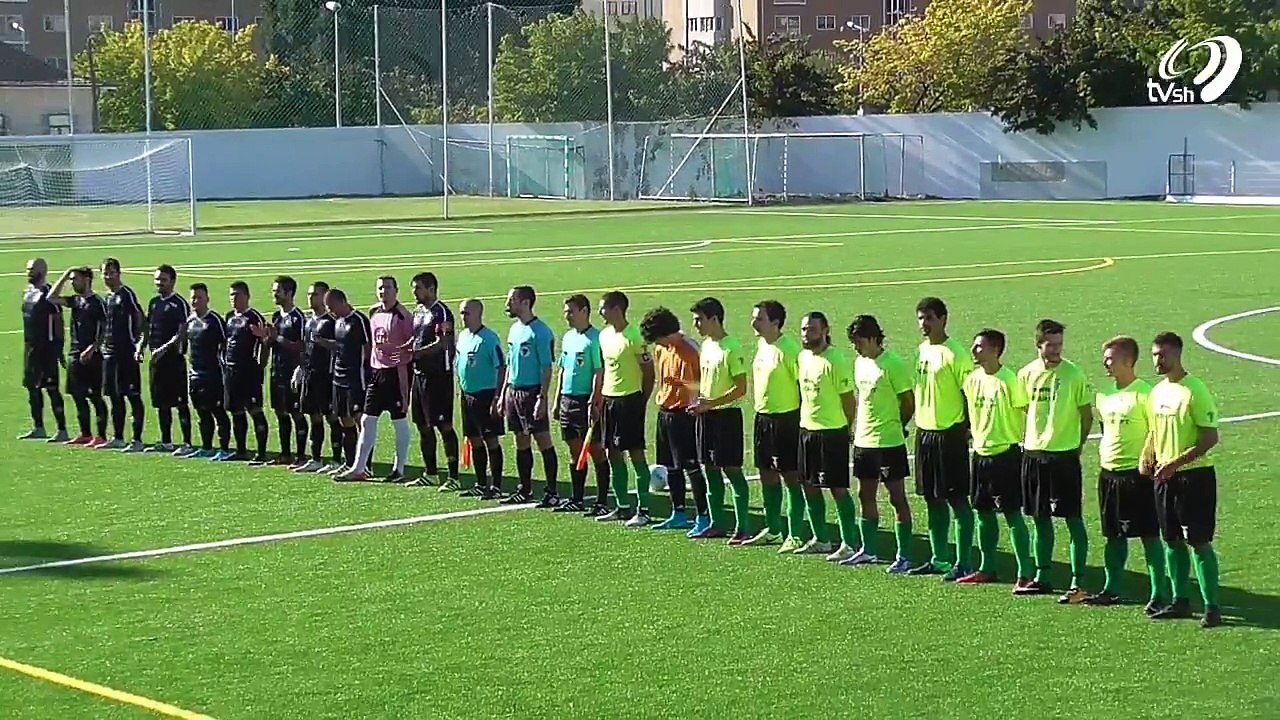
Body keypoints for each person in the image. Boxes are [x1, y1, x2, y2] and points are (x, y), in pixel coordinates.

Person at [1144, 332, 1221, 628]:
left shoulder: (1194, 390)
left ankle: (1212, 607)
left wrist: (1176, 463)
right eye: (1154, 355)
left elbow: (1210, 437)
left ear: (1177, 354)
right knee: (1171, 540)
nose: (1157, 361)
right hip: (1165, 477)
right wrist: (1147, 454)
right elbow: (1154, 430)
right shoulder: (1157, 392)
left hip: (1194, 478)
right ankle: (1180, 600)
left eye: (1162, 355)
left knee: (1198, 542)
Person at [1088, 335, 1169, 611]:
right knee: (1113, 535)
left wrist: (1150, 461)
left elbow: (1157, 431)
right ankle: (1111, 588)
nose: (1105, 363)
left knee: (1149, 535)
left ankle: (1159, 593)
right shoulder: (1103, 394)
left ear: (1128, 361)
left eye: (1110, 359)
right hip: (1109, 474)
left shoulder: (1146, 395)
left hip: (1138, 476)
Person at [1016, 319, 1094, 601]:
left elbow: (1086, 415)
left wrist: (1077, 445)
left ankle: (1078, 582)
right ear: (1038, 344)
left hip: (1064, 457)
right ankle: (1043, 576)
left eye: (1060, 344)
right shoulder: (1026, 374)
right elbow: (1024, 408)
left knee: (1073, 519)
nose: (1057, 350)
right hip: (1034, 455)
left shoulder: (1074, 374)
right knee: (1040, 518)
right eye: (1051, 345)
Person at [960, 329, 1034, 586]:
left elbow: (1028, 412)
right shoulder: (971, 380)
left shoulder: (1010, 381)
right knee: (983, 513)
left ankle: (1025, 572)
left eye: (979, 346)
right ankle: (987, 567)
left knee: (1012, 514)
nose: (973, 350)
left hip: (1006, 456)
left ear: (995, 350)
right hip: (980, 455)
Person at [909, 296, 975, 579]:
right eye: (920, 318)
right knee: (931, 498)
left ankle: (964, 561)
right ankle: (939, 559)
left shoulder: (955, 354)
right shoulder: (921, 350)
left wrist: (968, 428)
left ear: (943, 319)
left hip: (950, 435)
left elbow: (969, 393)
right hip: (925, 434)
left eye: (929, 318)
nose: (924, 324)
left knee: (957, 499)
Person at [846, 315, 915, 570]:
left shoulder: (892, 364)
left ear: (874, 338)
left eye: (859, 341)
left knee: (896, 497)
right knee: (864, 494)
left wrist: (898, 425)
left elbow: (908, 402)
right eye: (854, 342)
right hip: (863, 441)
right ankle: (868, 550)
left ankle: (903, 556)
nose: (856, 347)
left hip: (888, 442)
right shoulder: (859, 363)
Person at [794, 311, 860, 558]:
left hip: (831, 433)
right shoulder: (803, 357)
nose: (806, 334)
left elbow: (848, 400)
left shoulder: (834, 360)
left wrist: (847, 428)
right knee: (808, 485)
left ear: (825, 331)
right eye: (803, 329)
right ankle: (821, 539)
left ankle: (849, 543)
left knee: (837, 488)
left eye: (811, 329)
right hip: (807, 430)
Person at [689, 297, 753, 544]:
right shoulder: (706, 346)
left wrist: (711, 403)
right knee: (709, 469)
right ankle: (716, 524)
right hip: (706, 415)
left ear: (714, 319)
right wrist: (698, 401)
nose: (696, 324)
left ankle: (742, 527)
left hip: (726, 417)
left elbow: (741, 388)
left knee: (732, 471)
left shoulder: (731, 348)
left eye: (699, 319)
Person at [748, 299, 809, 551]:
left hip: (786, 420)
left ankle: (795, 534)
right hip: (763, 418)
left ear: (775, 322)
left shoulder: (789, 350)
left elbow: (803, 387)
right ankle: (773, 529)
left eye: (759, 319)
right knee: (767, 475)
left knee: (791, 478)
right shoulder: (762, 345)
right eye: (754, 318)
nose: (754, 323)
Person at [340, 276, 414, 482]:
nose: (383, 291)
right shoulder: (374, 312)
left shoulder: (403, 316)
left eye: (388, 288)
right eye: (380, 288)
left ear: (396, 290)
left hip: (396, 372)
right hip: (377, 372)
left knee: (399, 419)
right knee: (367, 419)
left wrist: (403, 355)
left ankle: (399, 469)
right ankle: (359, 468)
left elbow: (412, 343)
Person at [640, 306, 705, 533]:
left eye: (658, 339)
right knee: (670, 467)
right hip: (665, 412)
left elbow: (700, 385)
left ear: (666, 333)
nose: (657, 344)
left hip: (685, 414)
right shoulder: (661, 349)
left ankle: (703, 516)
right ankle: (678, 513)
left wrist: (683, 387)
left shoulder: (689, 350)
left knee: (691, 467)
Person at [596, 290, 656, 526]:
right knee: (613, 453)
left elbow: (649, 373)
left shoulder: (635, 337)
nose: (600, 312)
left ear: (616, 309)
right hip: (609, 400)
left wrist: (642, 400)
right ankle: (622, 506)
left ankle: (644, 509)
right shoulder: (603, 336)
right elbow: (605, 369)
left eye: (603, 308)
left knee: (636, 454)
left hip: (629, 400)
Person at [551, 294, 610, 514]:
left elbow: (598, 371)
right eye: (566, 312)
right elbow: (563, 369)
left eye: (571, 312)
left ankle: (602, 502)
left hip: (586, 400)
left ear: (584, 311)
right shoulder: (568, 337)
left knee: (595, 450)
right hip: (568, 400)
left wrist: (595, 400)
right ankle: (577, 498)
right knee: (574, 450)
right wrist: (557, 400)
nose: (567, 316)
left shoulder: (595, 339)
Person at [501, 285, 559, 505]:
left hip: (532, 392)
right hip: (513, 392)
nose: (507, 304)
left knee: (542, 439)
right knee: (520, 440)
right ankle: (525, 489)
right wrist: (504, 393)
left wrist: (542, 398)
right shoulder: (514, 329)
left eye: (512, 300)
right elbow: (510, 364)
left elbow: (546, 368)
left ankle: (552, 491)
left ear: (525, 302)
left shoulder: (540, 332)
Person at [406, 272, 461, 490]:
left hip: (438, 376)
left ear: (431, 289)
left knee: (443, 425)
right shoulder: (418, 311)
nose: (414, 292)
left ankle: (454, 477)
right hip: (419, 375)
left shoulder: (442, 312)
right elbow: (416, 337)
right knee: (422, 425)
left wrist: (417, 353)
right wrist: (406, 348)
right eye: (413, 288)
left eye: (418, 288)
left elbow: (443, 343)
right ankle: (430, 473)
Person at [46, 266, 107, 446]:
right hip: (74, 354)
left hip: (92, 356)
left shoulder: (97, 302)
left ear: (87, 280)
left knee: (95, 396)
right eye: (71, 279)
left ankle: (101, 435)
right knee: (77, 395)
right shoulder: (75, 301)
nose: (72, 282)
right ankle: (85, 434)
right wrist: (65, 275)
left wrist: (93, 348)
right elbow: (51, 297)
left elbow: (104, 328)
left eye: (75, 279)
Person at [455, 298, 506, 498]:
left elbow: (501, 367)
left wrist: (497, 397)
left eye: (466, 313)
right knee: (474, 439)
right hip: (467, 395)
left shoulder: (489, 339)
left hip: (486, 395)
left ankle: (496, 486)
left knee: (490, 439)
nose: (463, 317)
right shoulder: (463, 337)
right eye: (461, 313)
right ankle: (481, 483)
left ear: (478, 313)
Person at [141, 264, 193, 455]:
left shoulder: (179, 304)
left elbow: (182, 332)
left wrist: (163, 349)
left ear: (172, 281)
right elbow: (148, 327)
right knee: (161, 403)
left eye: (163, 280)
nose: (159, 283)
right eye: (157, 279)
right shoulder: (154, 302)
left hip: (173, 361)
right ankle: (166, 441)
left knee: (180, 403)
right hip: (157, 361)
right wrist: (140, 346)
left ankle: (187, 443)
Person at [320, 287, 371, 477]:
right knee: (344, 420)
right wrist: (324, 343)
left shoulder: (358, 320)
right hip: (338, 377)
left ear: (342, 302)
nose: (330, 311)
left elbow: (368, 347)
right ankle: (350, 463)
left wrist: (365, 369)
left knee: (360, 421)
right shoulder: (338, 322)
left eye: (331, 307)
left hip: (355, 378)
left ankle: (365, 465)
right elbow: (340, 346)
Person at [258, 276, 308, 468]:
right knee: (280, 412)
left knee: (296, 413)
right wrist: (266, 340)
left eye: (277, 291)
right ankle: (285, 453)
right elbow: (272, 343)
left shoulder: (298, 318)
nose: (274, 294)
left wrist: (277, 338)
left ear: (289, 293)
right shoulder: (276, 317)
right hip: (276, 371)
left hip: (292, 372)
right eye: (274, 291)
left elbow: (302, 347)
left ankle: (301, 455)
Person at [97, 257, 146, 451]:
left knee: (132, 396)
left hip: (126, 354)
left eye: (111, 273)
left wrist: (139, 346)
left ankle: (137, 439)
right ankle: (118, 437)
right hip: (109, 354)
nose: (108, 277)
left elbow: (141, 320)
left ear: (119, 273)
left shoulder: (126, 295)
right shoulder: (107, 298)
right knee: (114, 397)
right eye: (105, 273)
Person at [294, 281, 342, 473]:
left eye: (315, 294)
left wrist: (324, 343)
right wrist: (300, 369)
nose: (310, 298)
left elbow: (340, 347)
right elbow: (304, 347)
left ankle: (337, 459)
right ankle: (316, 458)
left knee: (332, 417)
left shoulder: (331, 321)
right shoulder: (308, 321)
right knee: (314, 416)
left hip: (326, 376)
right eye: (309, 294)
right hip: (310, 375)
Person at [221, 281, 271, 463]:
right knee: (236, 411)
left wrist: (260, 365)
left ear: (247, 296)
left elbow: (265, 343)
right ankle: (241, 450)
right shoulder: (228, 317)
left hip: (249, 372)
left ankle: (262, 452)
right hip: (231, 371)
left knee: (254, 410)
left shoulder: (254, 317)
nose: (234, 298)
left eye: (237, 295)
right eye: (231, 295)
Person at [19, 257, 67, 442]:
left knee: (51, 389)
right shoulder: (28, 292)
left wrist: (58, 348)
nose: (28, 272)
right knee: (32, 387)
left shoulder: (48, 294)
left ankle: (62, 429)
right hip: (30, 348)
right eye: (27, 269)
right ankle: (38, 427)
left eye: (32, 269)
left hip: (46, 349)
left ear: (42, 271)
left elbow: (58, 321)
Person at [184, 283, 232, 460]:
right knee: (201, 412)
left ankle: (224, 449)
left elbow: (226, 344)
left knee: (218, 411)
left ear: (207, 299)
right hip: (195, 374)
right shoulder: (190, 321)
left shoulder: (214, 321)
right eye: (193, 298)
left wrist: (224, 368)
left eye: (199, 298)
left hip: (213, 374)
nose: (195, 301)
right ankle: (206, 447)